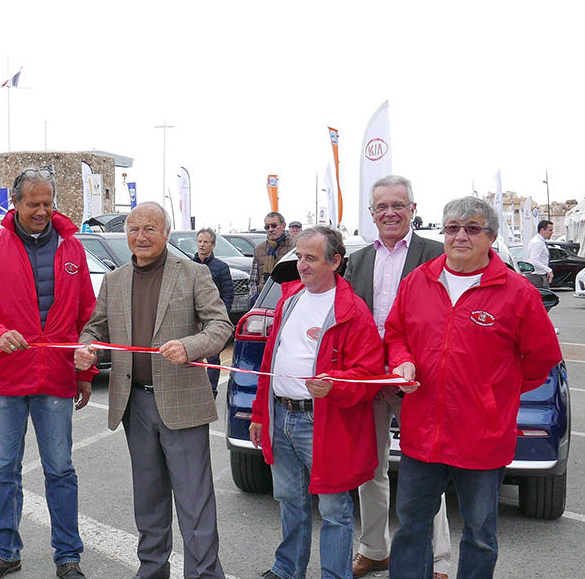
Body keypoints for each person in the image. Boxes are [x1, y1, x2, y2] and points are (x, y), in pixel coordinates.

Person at [384, 196, 561, 579]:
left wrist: (494, 395)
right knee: (411, 528)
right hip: (422, 435)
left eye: (472, 228)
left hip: (482, 437)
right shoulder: (418, 282)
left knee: (480, 534)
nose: (460, 236)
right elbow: (396, 333)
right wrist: (402, 359)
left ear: (491, 237)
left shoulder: (517, 292)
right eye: (452, 228)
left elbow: (542, 357)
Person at [75, 203, 233, 579]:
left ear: (166, 233)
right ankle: (152, 570)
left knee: (194, 503)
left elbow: (220, 325)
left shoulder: (192, 273)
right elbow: (94, 329)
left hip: (182, 402)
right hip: (135, 404)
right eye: (134, 228)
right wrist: (86, 348)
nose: (141, 236)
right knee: (148, 500)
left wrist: (190, 346)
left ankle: (205, 574)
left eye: (150, 228)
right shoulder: (115, 280)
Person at [0, 168, 96, 579]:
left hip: (55, 375)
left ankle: (68, 557)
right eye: (32, 204)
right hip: (4, 375)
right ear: (14, 203)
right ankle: (4, 551)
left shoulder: (72, 249)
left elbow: (88, 314)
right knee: (2, 469)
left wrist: (84, 373)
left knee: (60, 469)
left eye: (47, 204)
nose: (41, 211)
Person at [248, 226, 386, 579]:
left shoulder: (353, 312)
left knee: (334, 508)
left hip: (324, 421)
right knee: (289, 500)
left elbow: (368, 377)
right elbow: (270, 364)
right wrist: (260, 414)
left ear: (335, 261)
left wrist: (335, 387)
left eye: (311, 258)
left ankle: (334, 575)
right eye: (299, 257)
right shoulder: (289, 298)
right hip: (281, 415)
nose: (301, 266)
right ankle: (287, 569)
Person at [342, 175, 451, 579]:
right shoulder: (358, 259)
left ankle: (437, 560)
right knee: (368, 468)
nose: (389, 213)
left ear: (412, 209)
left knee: (427, 469)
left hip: (419, 379)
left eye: (398, 205)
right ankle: (374, 549)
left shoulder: (437, 254)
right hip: (369, 379)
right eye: (381, 207)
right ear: (371, 214)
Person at [191, 227, 233, 396]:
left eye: (206, 242)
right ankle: (193, 391)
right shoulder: (189, 265)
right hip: (193, 318)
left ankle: (211, 391)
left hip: (211, 319)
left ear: (213, 245)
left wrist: (222, 316)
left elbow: (228, 293)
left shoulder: (221, 267)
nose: (202, 245)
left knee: (213, 357)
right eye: (200, 241)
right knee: (192, 355)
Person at [250, 211, 296, 299]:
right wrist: (255, 296)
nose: (270, 229)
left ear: (283, 226)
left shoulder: (294, 246)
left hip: (288, 297)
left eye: (274, 226)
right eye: (267, 227)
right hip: (264, 298)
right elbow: (253, 279)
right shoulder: (259, 249)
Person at [524, 220, 553, 288]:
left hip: (539, 276)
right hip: (536, 277)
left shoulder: (539, 241)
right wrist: (549, 270)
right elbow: (534, 261)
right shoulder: (538, 243)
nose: (552, 232)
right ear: (542, 230)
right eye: (550, 230)